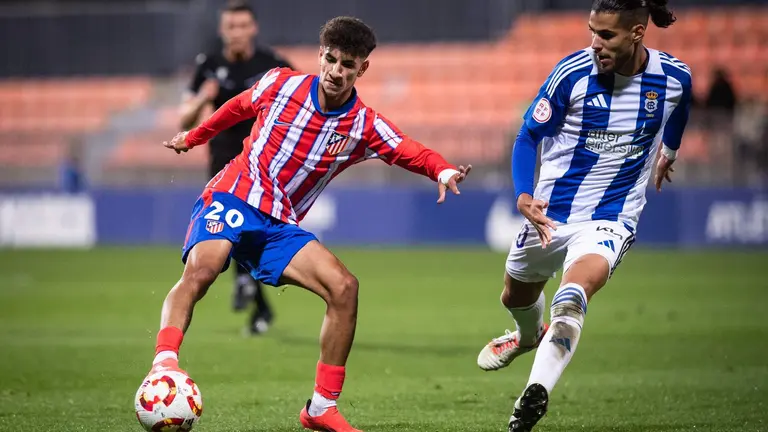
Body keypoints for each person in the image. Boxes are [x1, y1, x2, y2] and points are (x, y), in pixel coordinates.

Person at [149, 16, 471, 432]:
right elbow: (239, 107)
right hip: (235, 194)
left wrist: (442, 171)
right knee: (205, 270)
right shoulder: (282, 84)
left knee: (344, 288)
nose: (337, 71)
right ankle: (164, 367)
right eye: (331, 59)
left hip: (279, 222)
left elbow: (407, 149)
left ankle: (320, 407)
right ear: (321, 55)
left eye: (348, 64)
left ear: (362, 69)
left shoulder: (363, 125)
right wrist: (195, 137)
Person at [475, 1, 690, 430]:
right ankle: (527, 335)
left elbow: (680, 108)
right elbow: (527, 136)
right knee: (514, 296)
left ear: (636, 33)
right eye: (592, 31)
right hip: (551, 215)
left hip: (613, 217)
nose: (596, 43)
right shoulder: (571, 74)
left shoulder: (673, 77)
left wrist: (670, 150)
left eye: (606, 35)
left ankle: (532, 397)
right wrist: (522, 195)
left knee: (571, 297)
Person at [179, 0, 293, 335]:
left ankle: (249, 287)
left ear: (253, 28)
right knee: (229, 230)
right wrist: (203, 98)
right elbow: (184, 118)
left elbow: (299, 103)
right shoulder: (209, 65)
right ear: (222, 30)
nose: (237, 33)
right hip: (221, 162)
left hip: (264, 162)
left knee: (245, 232)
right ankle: (253, 296)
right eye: (231, 27)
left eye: (243, 26)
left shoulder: (273, 66)